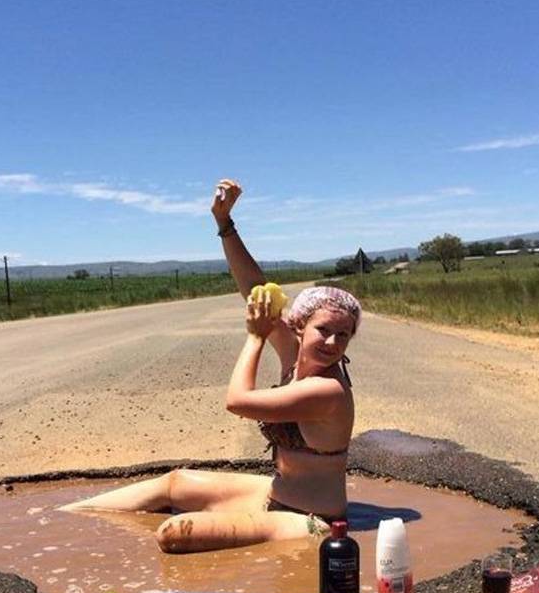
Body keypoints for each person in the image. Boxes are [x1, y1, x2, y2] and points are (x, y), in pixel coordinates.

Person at [60, 178, 361, 554]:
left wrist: (254, 337)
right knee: (176, 482)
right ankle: (61, 519)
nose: (332, 342)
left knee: (173, 533)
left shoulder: (327, 389)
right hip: (274, 493)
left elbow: (237, 401)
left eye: (344, 335)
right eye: (324, 330)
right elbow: (255, 288)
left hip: (312, 521)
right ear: (299, 326)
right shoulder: (295, 353)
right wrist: (224, 223)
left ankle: (84, 540)